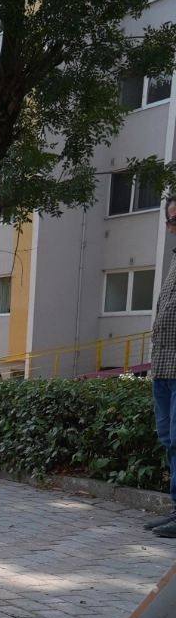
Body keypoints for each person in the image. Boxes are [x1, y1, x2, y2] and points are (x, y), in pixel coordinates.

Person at [149, 198, 176, 536]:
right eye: (171, 221)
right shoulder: (173, 261)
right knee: (170, 441)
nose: (173, 225)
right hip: (164, 369)